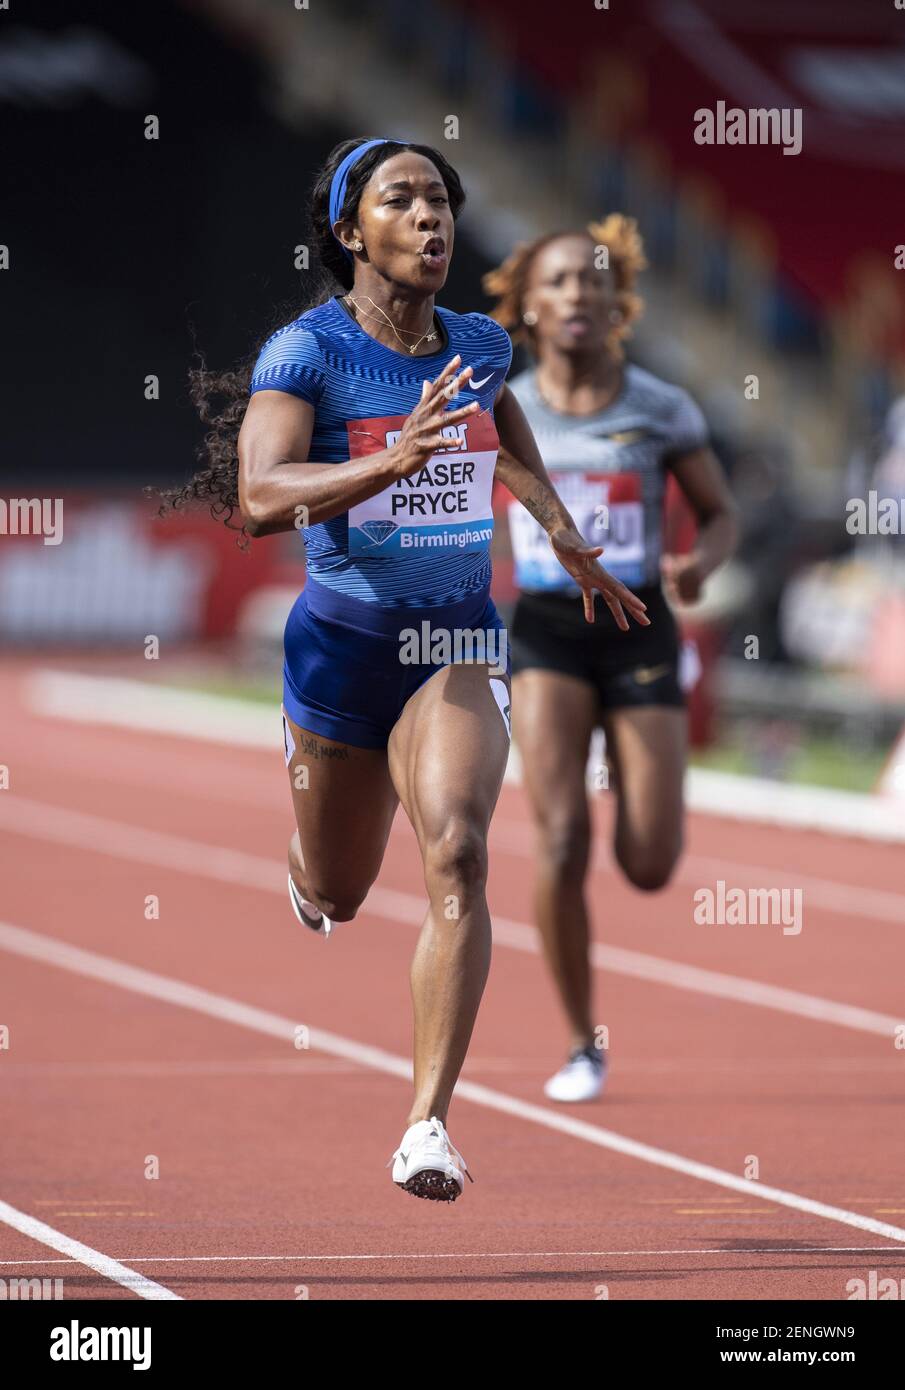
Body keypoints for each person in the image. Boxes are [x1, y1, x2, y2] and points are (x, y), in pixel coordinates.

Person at [159, 140, 649, 1199]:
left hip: (456, 641)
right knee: (339, 889)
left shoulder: (475, 340)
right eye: (402, 199)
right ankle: (305, 859)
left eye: (440, 199)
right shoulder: (308, 353)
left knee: (462, 853)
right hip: (344, 648)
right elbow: (256, 496)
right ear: (350, 233)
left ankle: (426, 1124)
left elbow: (498, 426)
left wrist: (557, 530)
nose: (431, 218)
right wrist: (390, 457)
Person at [484, 215, 738, 1102]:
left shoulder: (660, 406)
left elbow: (720, 513)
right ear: (526, 305)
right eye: (555, 282)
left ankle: (634, 786)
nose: (576, 295)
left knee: (648, 860)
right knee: (558, 836)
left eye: (591, 280)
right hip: (548, 634)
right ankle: (579, 1043)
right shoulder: (502, 406)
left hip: (640, 631)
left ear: (615, 299)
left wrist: (698, 564)